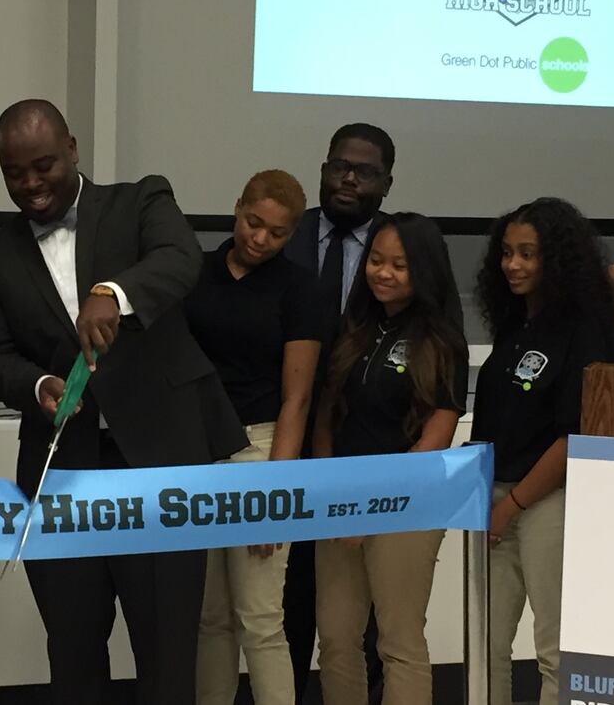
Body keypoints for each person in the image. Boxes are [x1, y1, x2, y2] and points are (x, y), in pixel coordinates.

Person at [0, 98, 247, 704]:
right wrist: (38, 387)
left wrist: (113, 292)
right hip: (62, 472)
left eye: (43, 165)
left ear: (72, 149)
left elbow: (179, 261)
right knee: (72, 649)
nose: (31, 184)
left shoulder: (141, 200)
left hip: (159, 463)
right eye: (14, 172)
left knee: (168, 649)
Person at [312, 213, 468, 705]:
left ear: (423, 270)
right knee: (336, 640)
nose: (383, 273)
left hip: (406, 504)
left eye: (399, 265)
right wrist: (330, 487)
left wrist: (371, 504)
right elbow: (326, 416)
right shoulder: (354, 327)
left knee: (398, 641)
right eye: (376, 261)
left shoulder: (442, 340)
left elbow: (435, 440)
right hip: (339, 501)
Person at [280, 122, 406, 702]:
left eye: (365, 171)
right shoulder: (289, 235)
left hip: (366, 447)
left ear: (386, 182)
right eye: (339, 166)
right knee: (289, 592)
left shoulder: (398, 248)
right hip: (284, 436)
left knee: (364, 605)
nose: (348, 179)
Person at [471, 198, 614, 705]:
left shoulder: (582, 331)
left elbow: (573, 437)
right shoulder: (515, 325)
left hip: (547, 504)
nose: (513, 264)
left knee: (553, 648)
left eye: (528, 254)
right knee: (485, 645)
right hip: (494, 500)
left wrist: (511, 506)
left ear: (556, 259)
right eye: (507, 253)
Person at [185, 170, 321, 705]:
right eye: (253, 222)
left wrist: (277, 489)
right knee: (209, 617)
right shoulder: (196, 273)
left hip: (260, 448)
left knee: (260, 618)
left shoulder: (298, 289)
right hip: (197, 449)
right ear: (237, 206)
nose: (260, 238)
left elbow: (298, 399)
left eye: (278, 232)